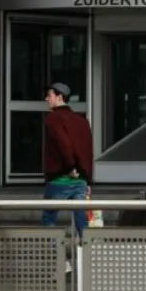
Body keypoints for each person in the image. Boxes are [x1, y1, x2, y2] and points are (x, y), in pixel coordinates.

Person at [42, 82, 94, 234]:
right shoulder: (82, 121)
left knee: (49, 217)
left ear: (59, 97)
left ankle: (52, 248)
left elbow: (62, 144)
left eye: (49, 95)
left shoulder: (53, 118)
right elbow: (87, 151)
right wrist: (87, 179)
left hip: (60, 179)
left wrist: (70, 167)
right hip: (81, 180)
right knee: (82, 220)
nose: (46, 99)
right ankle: (85, 248)